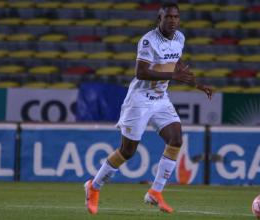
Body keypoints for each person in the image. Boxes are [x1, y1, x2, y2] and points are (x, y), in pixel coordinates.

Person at [84, 2, 213, 215]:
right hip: (140, 100)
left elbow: (177, 62)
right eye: (168, 17)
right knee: (127, 151)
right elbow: (141, 72)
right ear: (159, 19)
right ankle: (94, 186)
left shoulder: (179, 38)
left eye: (175, 17)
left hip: (161, 99)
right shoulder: (148, 41)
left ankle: (156, 191)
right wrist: (173, 76)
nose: (172, 20)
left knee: (176, 139)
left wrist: (197, 84)